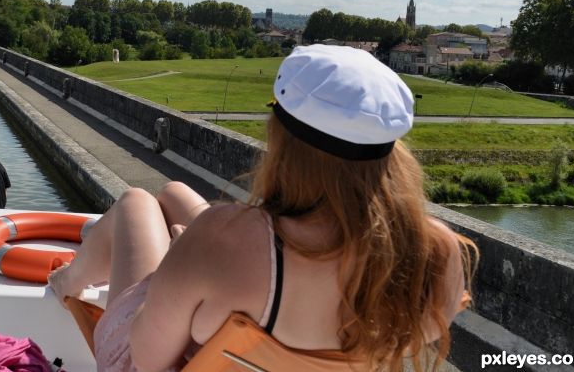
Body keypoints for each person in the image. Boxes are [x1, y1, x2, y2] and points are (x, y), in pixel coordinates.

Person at [49, 44, 478, 372]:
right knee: (176, 192)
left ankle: (69, 280)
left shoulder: (222, 236)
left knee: (137, 201)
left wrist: (169, 268)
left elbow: (147, 359)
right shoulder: (437, 249)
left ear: (284, 138)